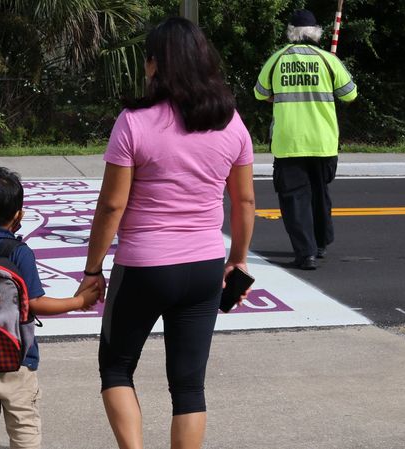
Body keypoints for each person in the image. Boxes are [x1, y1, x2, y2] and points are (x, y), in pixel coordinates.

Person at [76, 18, 256, 449]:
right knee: (189, 386)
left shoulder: (134, 121)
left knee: (117, 368)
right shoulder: (230, 122)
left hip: (145, 266)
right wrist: (239, 260)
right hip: (206, 266)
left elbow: (112, 205)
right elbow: (245, 202)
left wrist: (93, 267)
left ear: (155, 64)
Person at [0, 166, 99, 449]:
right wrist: (79, 302)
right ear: (19, 215)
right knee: (24, 427)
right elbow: (36, 302)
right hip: (18, 361)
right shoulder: (19, 253)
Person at [254, 9, 358, 270]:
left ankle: (306, 253)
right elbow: (350, 94)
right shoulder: (327, 60)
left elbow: (259, 93)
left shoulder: (277, 59)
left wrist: (276, 96)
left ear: (291, 32)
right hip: (322, 142)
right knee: (319, 193)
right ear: (316, 33)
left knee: (295, 198)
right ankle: (321, 243)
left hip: (289, 143)